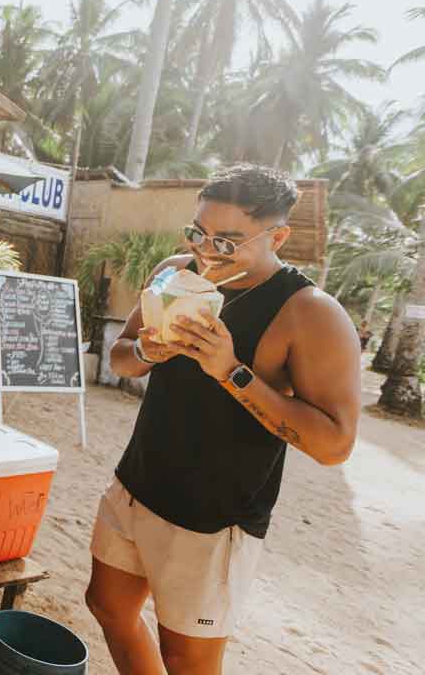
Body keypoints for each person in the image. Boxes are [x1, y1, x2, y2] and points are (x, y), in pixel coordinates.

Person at [85, 165, 361, 675]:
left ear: (277, 236)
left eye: (228, 242)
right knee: (107, 606)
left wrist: (232, 372)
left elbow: (334, 445)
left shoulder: (310, 313)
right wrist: (148, 347)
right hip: (137, 483)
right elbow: (121, 359)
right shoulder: (174, 270)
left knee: (186, 661)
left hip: (214, 519)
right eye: (198, 233)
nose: (207, 251)